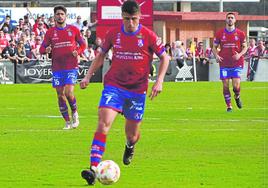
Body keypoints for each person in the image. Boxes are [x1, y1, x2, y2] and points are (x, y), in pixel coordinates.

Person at [80, 0, 169, 185]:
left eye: (134, 19)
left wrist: (159, 81)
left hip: (137, 90)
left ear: (140, 17)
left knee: (132, 135)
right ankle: (93, 168)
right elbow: (101, 56)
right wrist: (88, 76)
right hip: (114, 86)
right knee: (104, 122)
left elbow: (165, 57)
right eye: (127, 19)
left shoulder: (148, 35)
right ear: (122, 17)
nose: (130, 23)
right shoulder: (113, 33)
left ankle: (130, 146)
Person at [40, 5, 86, 129]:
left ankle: (75, 112)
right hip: (57, 67)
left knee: (69, 92)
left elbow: (83, 44)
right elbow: (41, 48)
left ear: (65, 16)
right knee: (60, 95)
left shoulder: (73, 29)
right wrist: (46, 49)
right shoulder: (50, 32)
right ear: (54, 16)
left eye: (62, 14)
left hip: (71, 65)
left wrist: (79, 51)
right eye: (57, 14)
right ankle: (67, 121)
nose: (60, 16)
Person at [212, 12, 248, 112]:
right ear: (226, 20)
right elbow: (214, 47)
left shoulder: (240, 33)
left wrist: (239, 55)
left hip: (237, 62)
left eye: (232, 18)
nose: (230, 19)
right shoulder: (219, 33)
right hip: (224, 63)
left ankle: (237, 96)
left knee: (236, 86)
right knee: (225, 85)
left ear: (235, 20)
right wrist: (216, 55)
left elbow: (245, 47)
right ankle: (229, 106)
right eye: (228, 18)